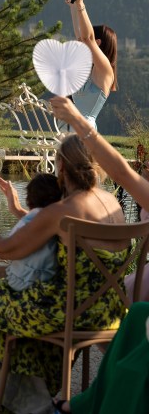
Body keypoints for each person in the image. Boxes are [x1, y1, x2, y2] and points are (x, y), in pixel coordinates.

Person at [0, 133, 129, 414]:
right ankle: (23, 398)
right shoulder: (112, 203)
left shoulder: (63, 210)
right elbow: (47, 231)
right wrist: (17, 210)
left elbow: (4, 249)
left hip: (63, 314)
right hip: (109, 314)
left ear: (61, 166)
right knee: (15, 302)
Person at [44, 96, 149, 414]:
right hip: (116, 298)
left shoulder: (63, 209)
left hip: (82, 303)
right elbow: (123, 173)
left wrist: (78, 121)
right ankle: (90, 402)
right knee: (137, 318)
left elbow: (121, 173)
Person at [0, 173, 63, 291]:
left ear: (29, 199)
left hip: (27, 289)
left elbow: (4, 250)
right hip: (55, 286)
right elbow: (41, 223)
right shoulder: (62, 221)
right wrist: (16, 209)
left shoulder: (28, 223)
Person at [67, 0, 117, 130]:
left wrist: (80, 3)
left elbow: (86, 38)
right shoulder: (90, 69)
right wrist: (73, 5)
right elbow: (81, 37)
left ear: (98, 42)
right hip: (73, 128)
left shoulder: (105, 70)